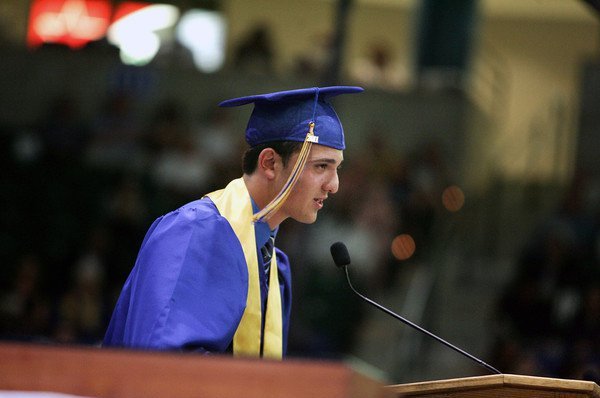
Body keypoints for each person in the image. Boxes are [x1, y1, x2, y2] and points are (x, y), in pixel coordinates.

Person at [103, 86, 363, 358]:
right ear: (270, 163)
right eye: (321, 166)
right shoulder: (193, 231)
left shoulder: (274, 267)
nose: (334, 185)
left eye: (337, 168)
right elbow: (162, 369)